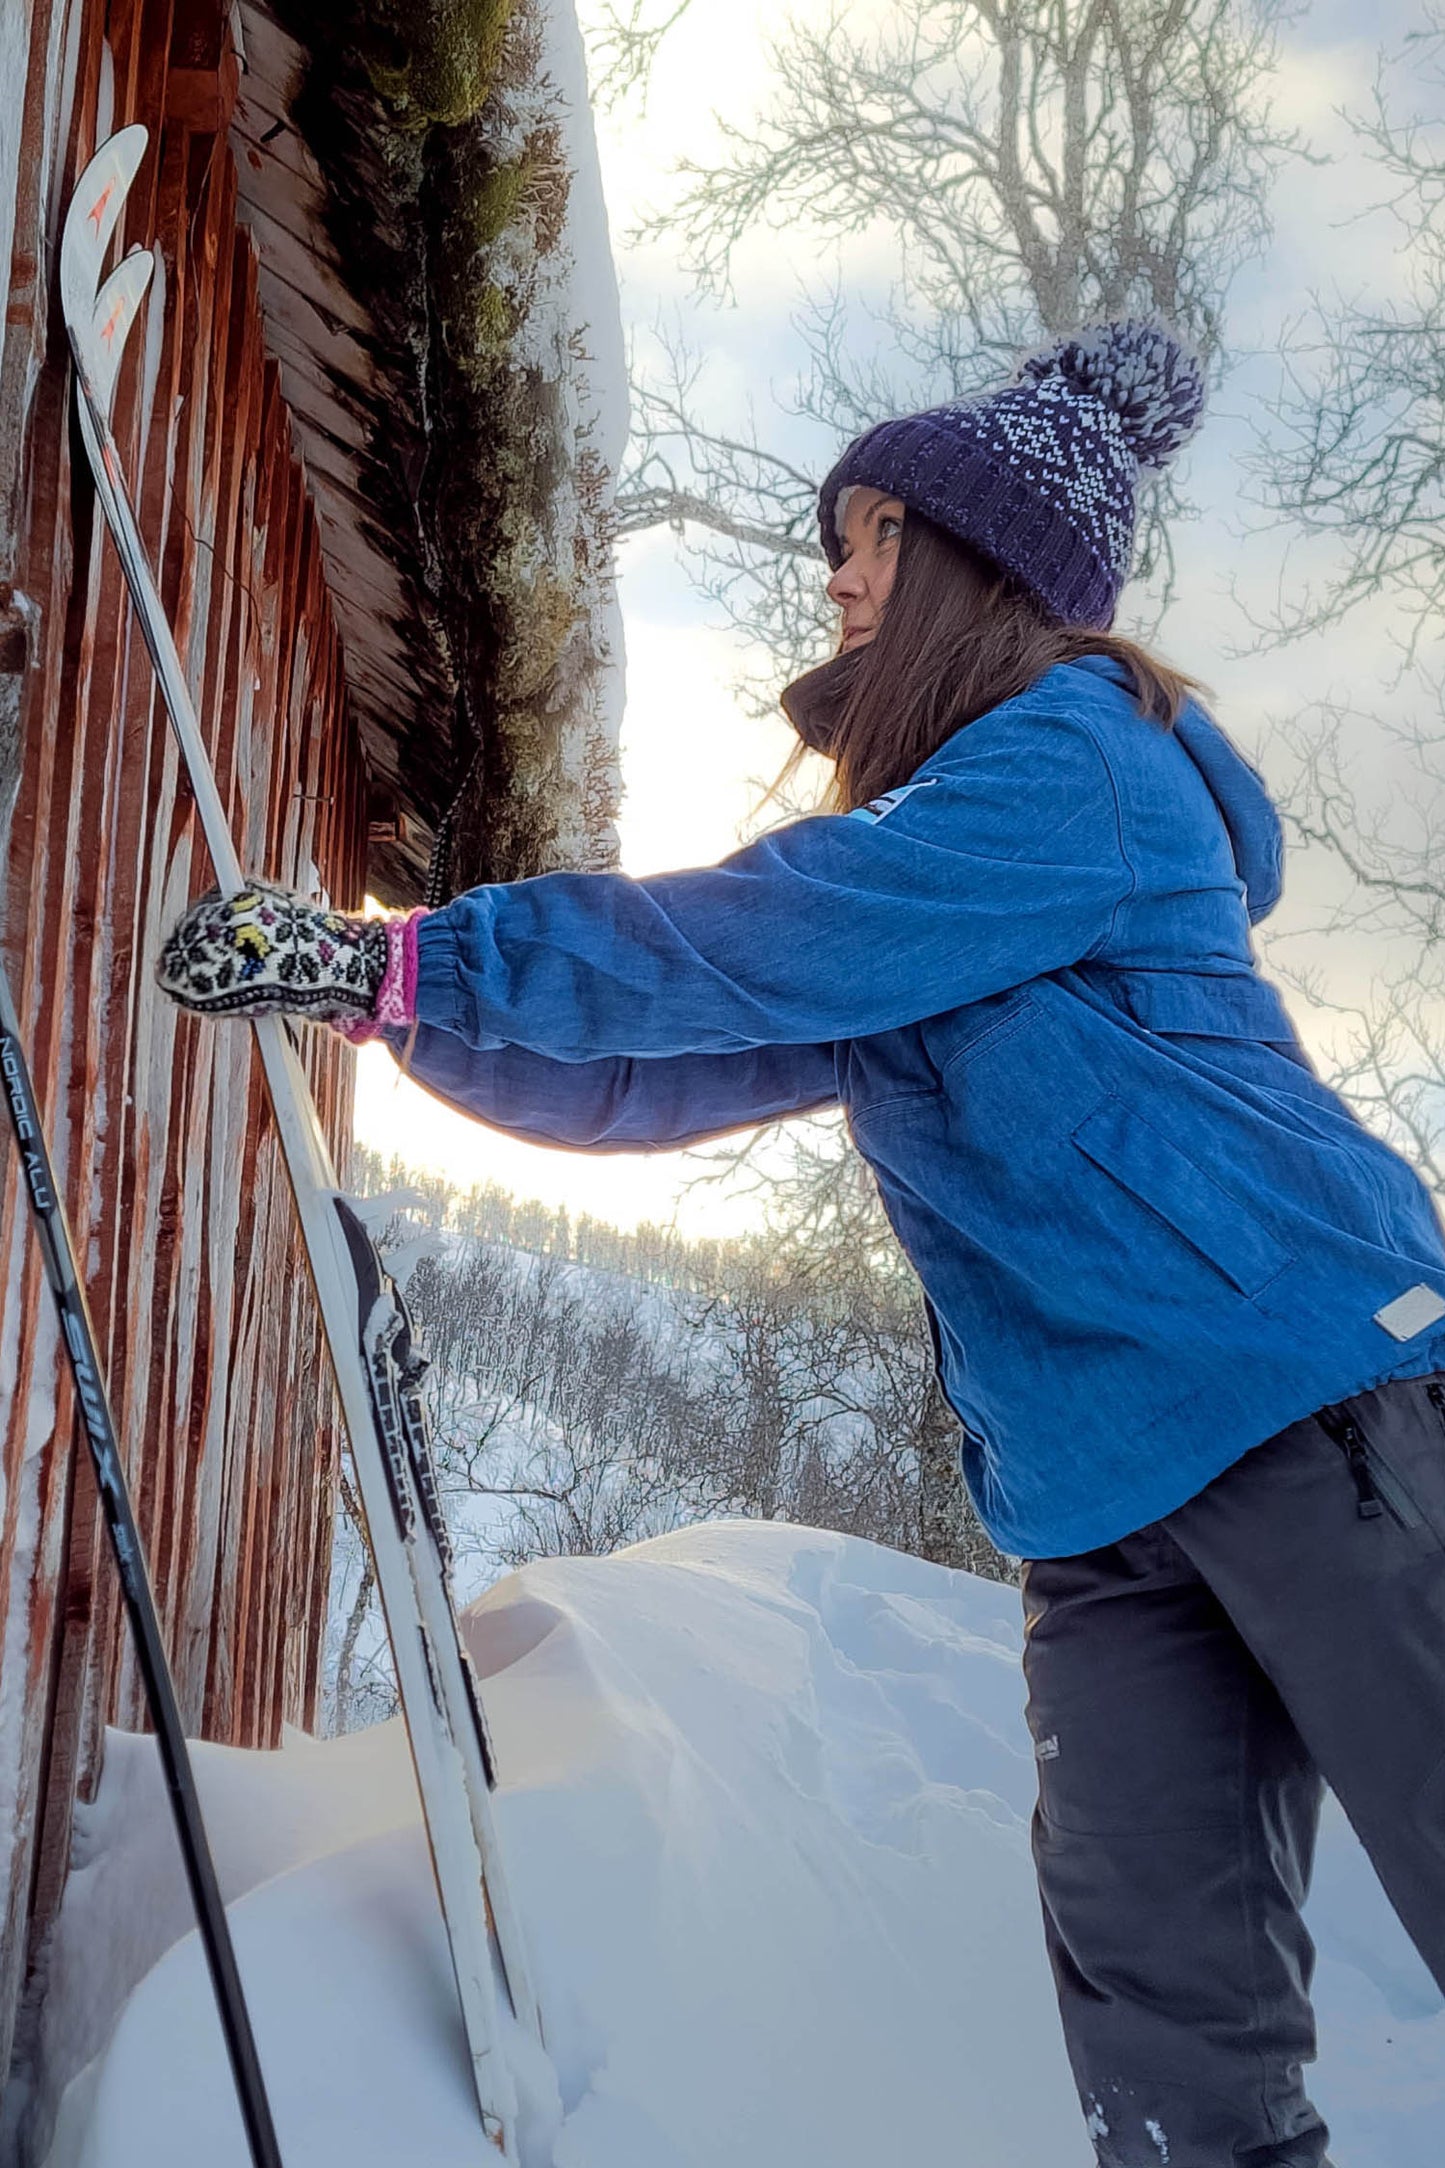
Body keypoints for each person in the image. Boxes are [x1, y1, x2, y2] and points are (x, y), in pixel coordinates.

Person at [157, 320, 1445, 2168]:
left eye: (870, 536)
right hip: (1100, 1500)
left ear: (972, 561)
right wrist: (381, 997)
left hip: (1320, 1401)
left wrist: (418, 950)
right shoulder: (932, 877)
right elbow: (657, 1073)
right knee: (1169, 2035)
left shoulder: (1080, 754)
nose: (835, 577)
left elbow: (770, 931)